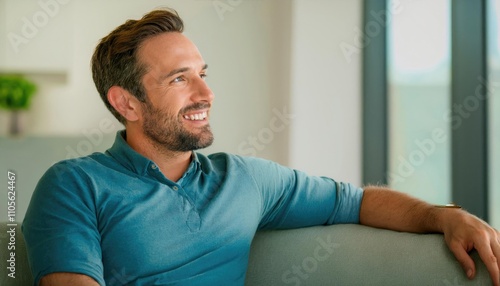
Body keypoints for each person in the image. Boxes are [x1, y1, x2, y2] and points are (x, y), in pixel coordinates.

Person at [22, 8, 499, 286]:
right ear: (126, 102)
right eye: (179, 79)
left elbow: (357, 202)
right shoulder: (74, 185)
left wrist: (444, 215)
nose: (206, 95)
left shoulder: (245, 179)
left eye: (203, 75)